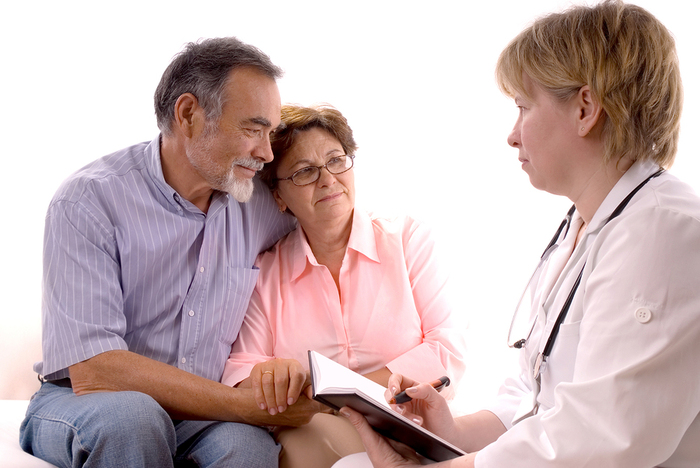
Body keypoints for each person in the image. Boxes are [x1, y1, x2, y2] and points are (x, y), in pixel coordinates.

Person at [339, 1, 700, 466]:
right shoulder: (584, 226)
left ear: (585, 109)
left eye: (523, 107)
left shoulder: (662, 232)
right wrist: (450, 429)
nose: (512, 135)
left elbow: (602, 438)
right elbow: (533, 395)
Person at [19, 37, 322, 468]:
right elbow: (94, 370)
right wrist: (241, 405)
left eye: (270, 134)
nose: (266, 152)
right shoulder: (87, 201)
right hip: (86, 401)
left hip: (200, 413)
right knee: (134, 419)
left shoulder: (257, 203)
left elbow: (331, 225)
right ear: (188, 115)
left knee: (249, 447)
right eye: (253, 129)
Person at [221, 104, 466, 468]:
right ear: (278, 197)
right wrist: (270, 376)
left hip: (420, 427)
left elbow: (446, 351)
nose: (328, 180)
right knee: (311, 438)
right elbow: (241, 370)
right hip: (317, 438)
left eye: (336, 160)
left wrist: (338, 395)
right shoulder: (265, 273)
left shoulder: (408, 239)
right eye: (305, 171)